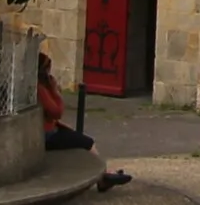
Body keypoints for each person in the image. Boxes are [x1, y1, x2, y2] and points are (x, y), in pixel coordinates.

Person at [39, 51, 133, 192]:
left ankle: (105, 173)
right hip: (47, 135)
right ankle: (103, 178)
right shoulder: (40, 89)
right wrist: (56, 93)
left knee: (77, 137)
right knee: (87, 142)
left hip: (50, 129)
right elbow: (56, 112)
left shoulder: (38, 86)